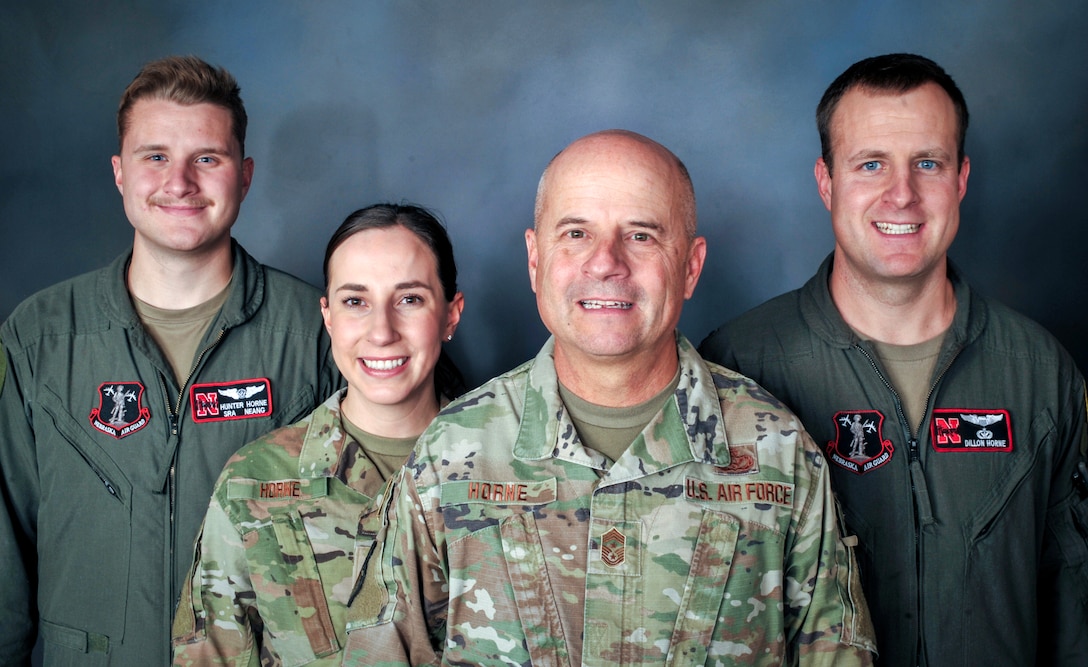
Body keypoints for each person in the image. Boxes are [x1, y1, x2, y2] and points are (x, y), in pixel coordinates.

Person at [340, 130, 877, 665]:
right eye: (576, 233)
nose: (605, 264)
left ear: (690, 266)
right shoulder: (450, 453)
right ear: (534, 258)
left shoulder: (779, 454)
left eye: (641, 236)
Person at [700, 53, 1088, 666]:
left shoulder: (1040, 371)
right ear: (826, 181)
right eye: (871, 164)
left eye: (927, 164)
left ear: (961, 178)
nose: (901, 195)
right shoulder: (737, 367)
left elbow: (1072, 605)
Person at [0, 56, 341, 665]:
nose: (179, 182)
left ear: (245, 175)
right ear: (119, 173)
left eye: (206, 158)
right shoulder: (40, 337)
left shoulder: (317, 331)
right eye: (154, 156)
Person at [171, 203, 466, 665]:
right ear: (327, 317)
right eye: (355, 302)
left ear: (451, 314)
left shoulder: (510, 473)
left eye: (409, 299)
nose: (382, 331)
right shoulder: (254, 482)